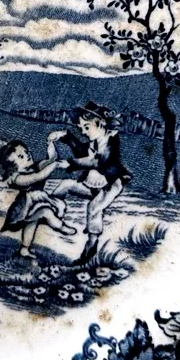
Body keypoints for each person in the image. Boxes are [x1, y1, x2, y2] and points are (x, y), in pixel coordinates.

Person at [52, 103, 132, 263]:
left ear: (100, 123)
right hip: (93, 183)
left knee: (94, 207)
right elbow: (81, 150)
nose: (83, 132)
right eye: (81, 128)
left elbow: (98, 162)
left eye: (86, 127)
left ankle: (91, 245)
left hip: (110, 184)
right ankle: (51, 210)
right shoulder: (94, 141)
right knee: (65, 185)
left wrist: (71, 163)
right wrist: (65, 136)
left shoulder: (110, 140)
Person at [0, 132, 75, 259]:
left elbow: (51, 159)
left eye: (26, 151)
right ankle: (60, 226)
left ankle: (24, 249)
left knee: (32, 224)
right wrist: (55, 165)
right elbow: (38, 177)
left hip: (37, 201)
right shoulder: (17, 177)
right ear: (13, 166)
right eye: (21, 156)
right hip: (25, 205)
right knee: (45, 212)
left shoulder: (34, 166)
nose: (27, 154)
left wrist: (50, 143)